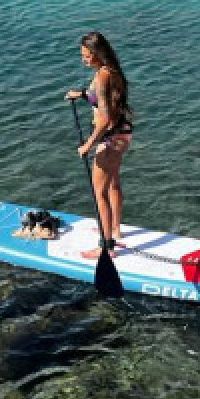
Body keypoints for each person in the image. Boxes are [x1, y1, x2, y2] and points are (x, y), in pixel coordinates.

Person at [65, 31, 134, 259]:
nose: (83, 60)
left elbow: (103, 118)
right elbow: (104, 98)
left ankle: (106, 246)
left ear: (96, 54)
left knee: (99, 192)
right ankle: (115, 229)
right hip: (123, 133)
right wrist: (82, 94)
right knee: (113, 182)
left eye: (86, 56)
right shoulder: (112, 71)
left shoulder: (102, 76)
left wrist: (88, 144)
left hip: (110, 137)